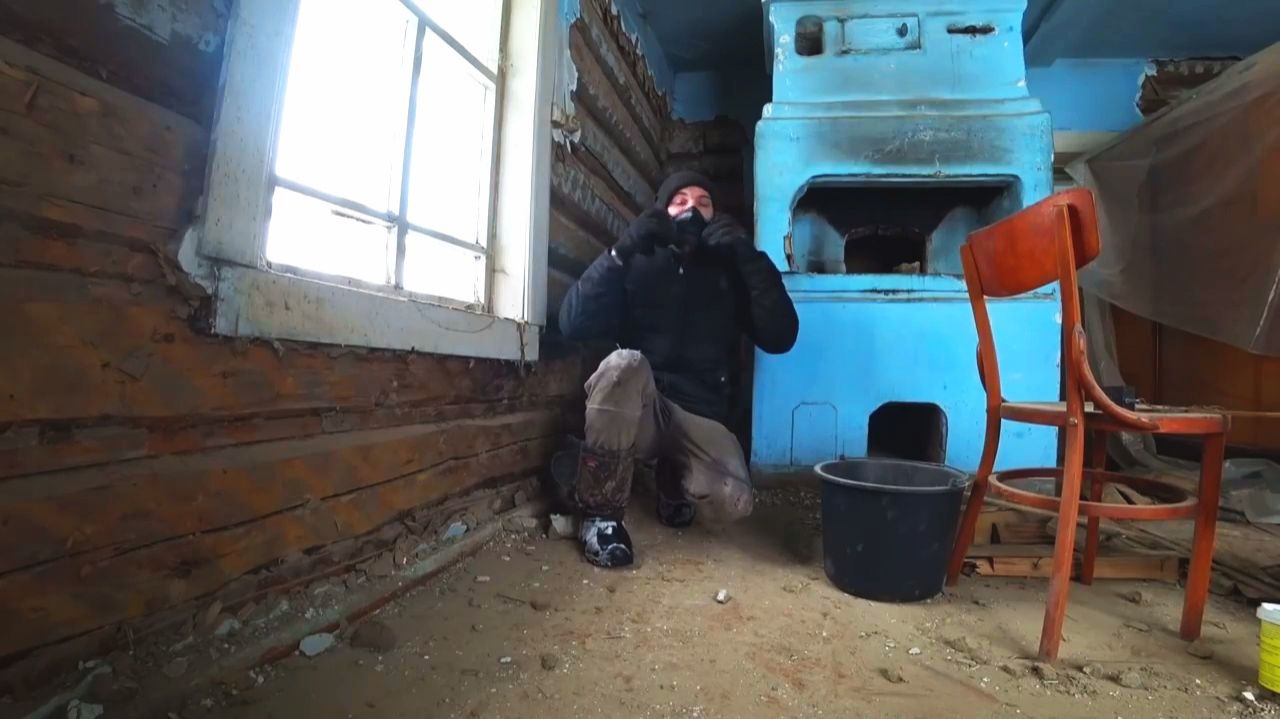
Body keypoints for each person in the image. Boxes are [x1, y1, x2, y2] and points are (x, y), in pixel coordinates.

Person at [557, 171, 799, 568]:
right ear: (661, 211)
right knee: (623, 364)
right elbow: (572, 323)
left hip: (701, 417)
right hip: (642, 409)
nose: (692, 210)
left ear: (717, 217)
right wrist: (621, 250)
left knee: (733, 498)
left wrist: (749, 257)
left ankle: (674, 482)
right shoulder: (637, 260)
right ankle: (601, 517)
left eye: (704, 203)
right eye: (680, 201)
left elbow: (781, 336)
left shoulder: (731, 268)